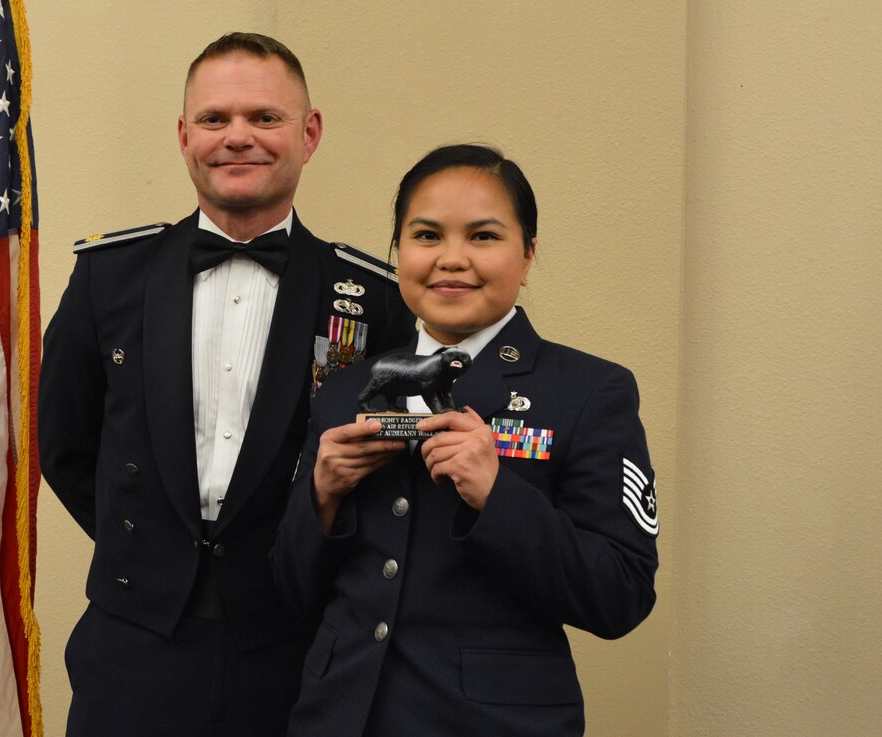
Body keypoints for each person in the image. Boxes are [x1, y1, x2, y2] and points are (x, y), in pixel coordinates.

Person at [38, 32, 414, 737]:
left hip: (294, 646)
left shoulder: (371, 298)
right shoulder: (108, 277)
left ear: (310, 134)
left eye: (265, 118)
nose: (238, 137)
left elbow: (385, 481)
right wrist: (149, 542)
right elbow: (62, 442)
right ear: (185, 136)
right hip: (132, 646)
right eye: (215, 119)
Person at [272, 144, 660, 736]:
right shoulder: (345, 389)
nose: (452, 259)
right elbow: (291, 591)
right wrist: (321, 496)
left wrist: (497, 493)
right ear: (398, 251)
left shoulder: (589, 391)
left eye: (483, 237)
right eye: (426, 236)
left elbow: (621, 596)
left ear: (528, 253)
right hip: (340, 717)